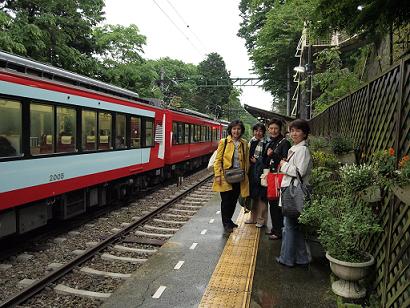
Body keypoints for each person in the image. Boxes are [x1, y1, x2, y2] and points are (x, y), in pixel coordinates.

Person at [276, 119, 312, 267]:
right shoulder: (296, 148)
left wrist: (284, 165)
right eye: (292, 131)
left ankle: (287, 259)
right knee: (293, 226)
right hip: (292, 190)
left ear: (304, 133)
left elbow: (300, 172)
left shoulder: (302, 150)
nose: (294, 134)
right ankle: (302, 258)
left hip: (293, 192)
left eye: (298, 131)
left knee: (289, 226)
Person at [213, 119, 250, 233]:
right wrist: (218, 175)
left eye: (238, 129)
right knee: (226, 201)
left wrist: (246, 174)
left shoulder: (244, 143)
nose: (236, 131)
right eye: (234, 129)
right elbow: (218, 160)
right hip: (225, 176)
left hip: (239, 176)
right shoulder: (224, 142)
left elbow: (247, 160)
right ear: (230, 130)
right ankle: (226, 223)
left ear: (241, 130)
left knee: (234, 200)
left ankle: (229, 221)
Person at [263, 119, 291, 239]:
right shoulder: (270, 142)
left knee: (276, 205)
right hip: (272, 176)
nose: (273, 131)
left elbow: (285, 161)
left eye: (276, 128)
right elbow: (266, 159)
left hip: (279, 178)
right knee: (272, 203)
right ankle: (275, 228)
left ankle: (278, 231)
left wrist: (272, 155)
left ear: (280, 130)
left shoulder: (284, 143)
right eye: (271, 128)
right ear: (268, 129)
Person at [245, 123, 268, 227]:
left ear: (263, 132)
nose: (258, 133)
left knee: (262, 198)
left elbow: (267, 160)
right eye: (256, 130)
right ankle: (252, 218)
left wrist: (257, 160)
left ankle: (261, 220)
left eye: (260, 131)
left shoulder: (266, 143)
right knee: (253, 196)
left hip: (262, 174)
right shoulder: (251, 142)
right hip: (251, 173)